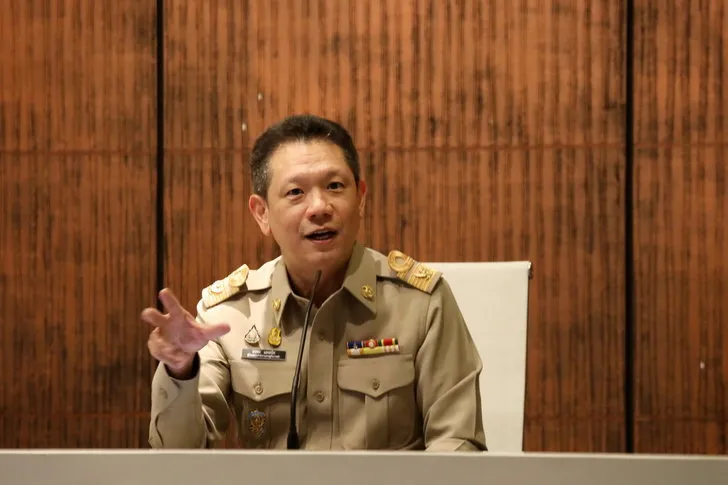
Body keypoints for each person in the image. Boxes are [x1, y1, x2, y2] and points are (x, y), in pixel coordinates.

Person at [141, 114, 487, 451]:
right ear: (262, 213)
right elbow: (178, 454)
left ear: (360, 197)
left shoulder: (422, 304)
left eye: (335, 186)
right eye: (296, 192)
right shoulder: (231, 316)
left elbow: (457, 444)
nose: (319, 207)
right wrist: (180, 369)